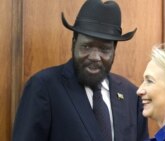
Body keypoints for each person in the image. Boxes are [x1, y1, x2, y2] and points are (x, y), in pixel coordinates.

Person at [12, 0, 148, 141]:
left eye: (104, 49)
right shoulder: (44, 87)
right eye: (87, 47)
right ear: (73, 44)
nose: (95, 57)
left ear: (114, 51)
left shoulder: (132, 95)